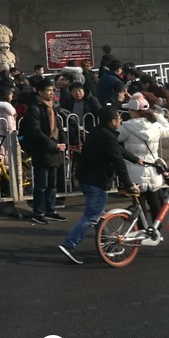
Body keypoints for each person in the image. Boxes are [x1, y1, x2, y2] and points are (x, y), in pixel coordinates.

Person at [58, 107, 139, 264]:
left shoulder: (98, 132)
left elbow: (118, 149)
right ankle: (69, 244)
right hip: (96, 180)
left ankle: (106, 245)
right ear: (112, 121)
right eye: (119, 119)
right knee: (92, 216)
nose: (121, 121)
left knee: (99, 215)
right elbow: (118, 161)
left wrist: (136, 159)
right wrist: (128, 184)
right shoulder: (107, 137)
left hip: (87, 178)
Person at [117, 94, 169, 222]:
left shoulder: (126, 127)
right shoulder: (156, 126)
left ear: (133, 111)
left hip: (134, 171)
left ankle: (142, 231)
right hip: (153, 169)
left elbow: (113, 139)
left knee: (139, 204)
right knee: (155, 203)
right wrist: (158, 116)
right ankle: (156, 231)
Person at [21, 80, 66, 225]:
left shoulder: (53, 107)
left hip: (55, 150)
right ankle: (39, 211)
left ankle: (50, 209)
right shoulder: (35, 109)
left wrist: (63, 142)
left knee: (52, 184)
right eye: (48, 90)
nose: (52, 93)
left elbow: (58, 127)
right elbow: (35, 131)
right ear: (40, 92)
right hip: (42, 151)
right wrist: (53, 145)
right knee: (41, 184)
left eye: (52, 90)